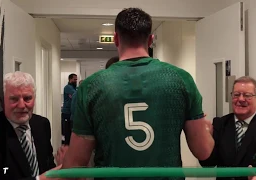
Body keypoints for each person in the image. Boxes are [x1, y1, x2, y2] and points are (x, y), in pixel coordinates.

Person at [60, 8, 214, 180]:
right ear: (150, 40)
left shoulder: (91, 86)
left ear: (116, 39)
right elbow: (203, 151)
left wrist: (64, 162)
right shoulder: (181, 79)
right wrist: (207, 130)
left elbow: (75, 166)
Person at [199, 76, 256, 180]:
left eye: (247, 95)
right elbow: (208, 163)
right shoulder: (220, 124)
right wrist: (202, 134)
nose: (240, 99)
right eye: (236, 95)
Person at [0, 71, 65, 180]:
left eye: (27, 98)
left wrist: (63, 169)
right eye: (14, 99)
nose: (22, 105)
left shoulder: (42, 124)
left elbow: (47, 166)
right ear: (3, 100)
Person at [61, 73, 77, 145]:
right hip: (66, 113)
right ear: (70, 79)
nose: (76, 81)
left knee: (71, 132)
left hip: (71, 114)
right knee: (67, 132)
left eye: (76, 79)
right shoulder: (67, 87)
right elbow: (76, 94)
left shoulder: (74, 88)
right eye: (74, 79)